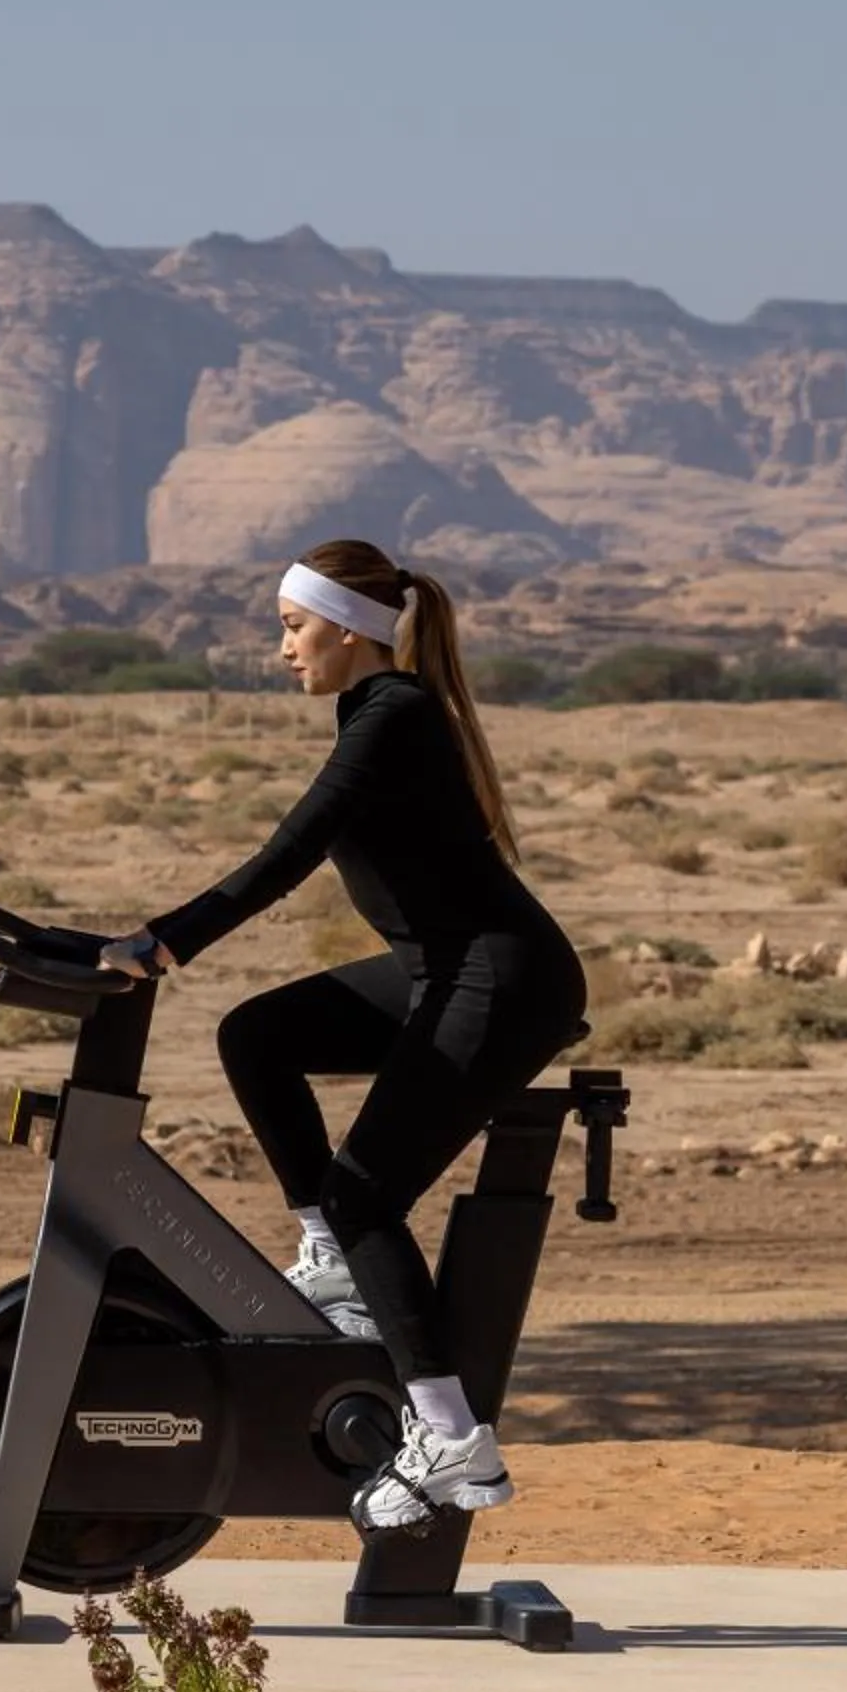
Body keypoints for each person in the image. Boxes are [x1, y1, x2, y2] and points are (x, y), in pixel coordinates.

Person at [98, 538, 587, 1536]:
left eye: (293, 624)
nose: (284, 647)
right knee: (258, 1035)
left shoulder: (392, 714)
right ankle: (330, 1255)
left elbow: (289, 854)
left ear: (351, 626)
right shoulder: (372, 710)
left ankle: (453, 1436)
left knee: (369, 1190)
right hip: (441, 971)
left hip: (500, 979)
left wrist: (162, 942)